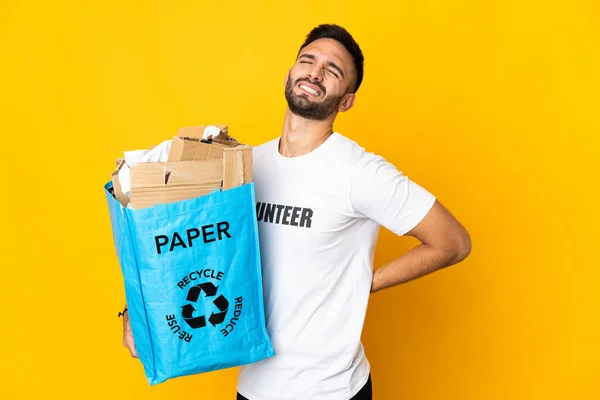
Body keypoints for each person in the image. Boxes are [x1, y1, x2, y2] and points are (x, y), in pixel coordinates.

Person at [122, 24, 471, 400]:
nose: (315, 72)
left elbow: (453, 242)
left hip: (330, 390)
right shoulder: (246, 167)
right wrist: (134, 311)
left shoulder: (360, 173)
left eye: (333, 71)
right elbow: (189, 251)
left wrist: (363, 282)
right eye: (308, 60)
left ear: (346, 101)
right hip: (253, 385)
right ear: (290, 73)